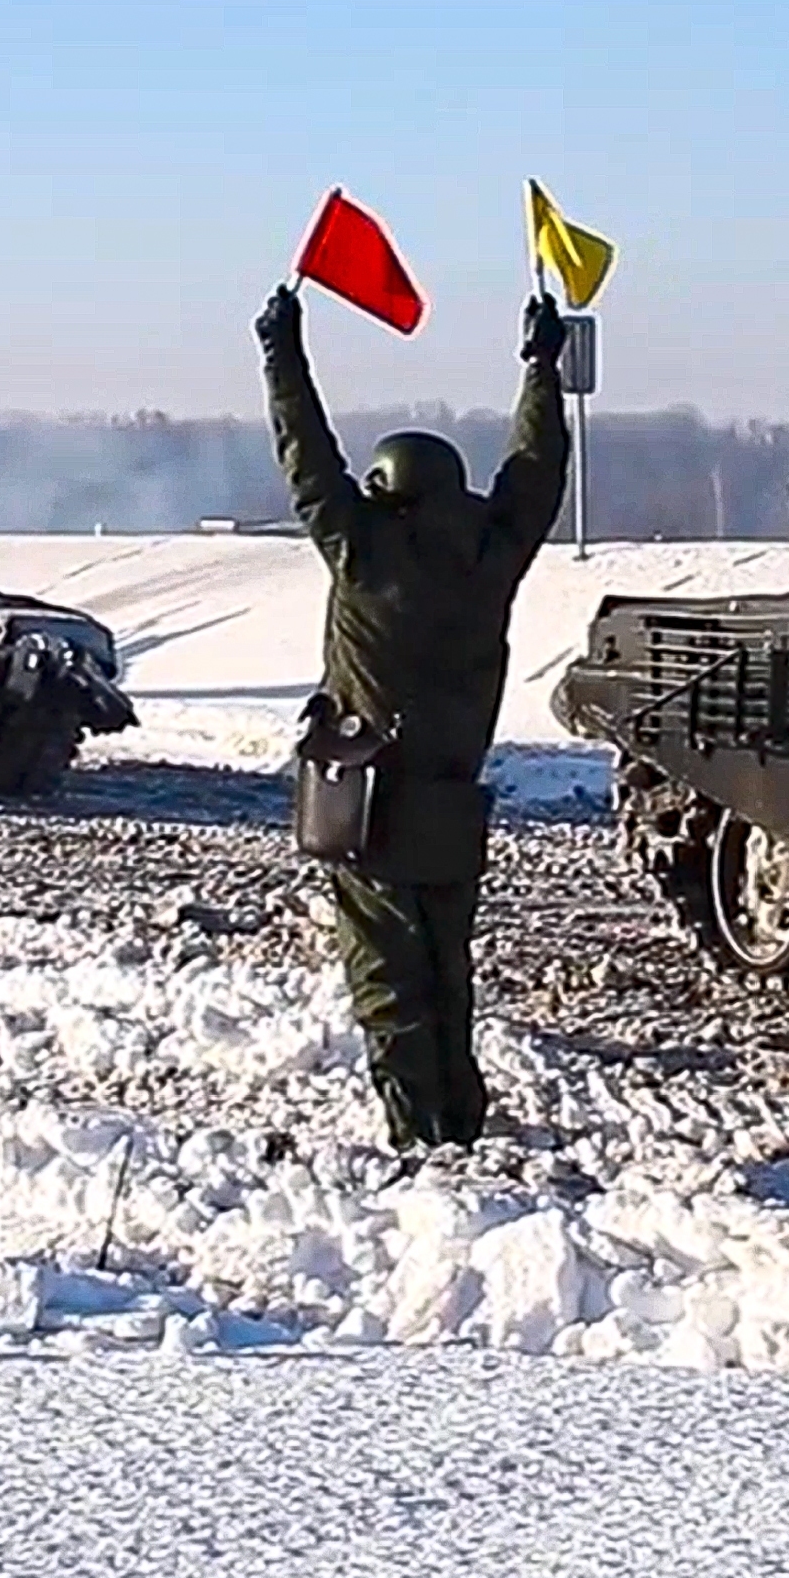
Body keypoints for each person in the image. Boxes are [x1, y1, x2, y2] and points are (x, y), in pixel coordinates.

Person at [260, 280, 571, 1148]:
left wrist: (281, 351)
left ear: (387, 487)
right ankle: (458, 1123)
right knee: (446, 970)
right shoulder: (492, 556)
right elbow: (535, 473)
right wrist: (541, 369)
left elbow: (305, 456)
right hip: (452, 796)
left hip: (369, 801)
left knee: (387, 977)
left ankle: (419, 1132)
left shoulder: (364, 553)